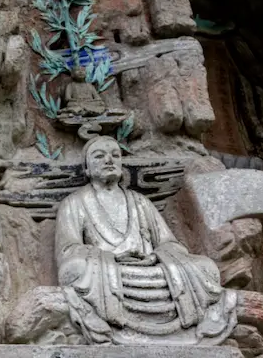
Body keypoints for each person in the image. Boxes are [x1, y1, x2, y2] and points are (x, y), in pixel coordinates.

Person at [55, 136, 236, 344]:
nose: (109, 160)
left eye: (115, 155)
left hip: (150, 269)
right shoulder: (74, 202)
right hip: (108, 271)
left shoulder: (140, 201)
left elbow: (169, 243)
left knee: (207, 268)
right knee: (74, 269)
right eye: (99, 156)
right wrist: (112, 258)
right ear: (87, 169)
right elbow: (68, 250)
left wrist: (156, 256)